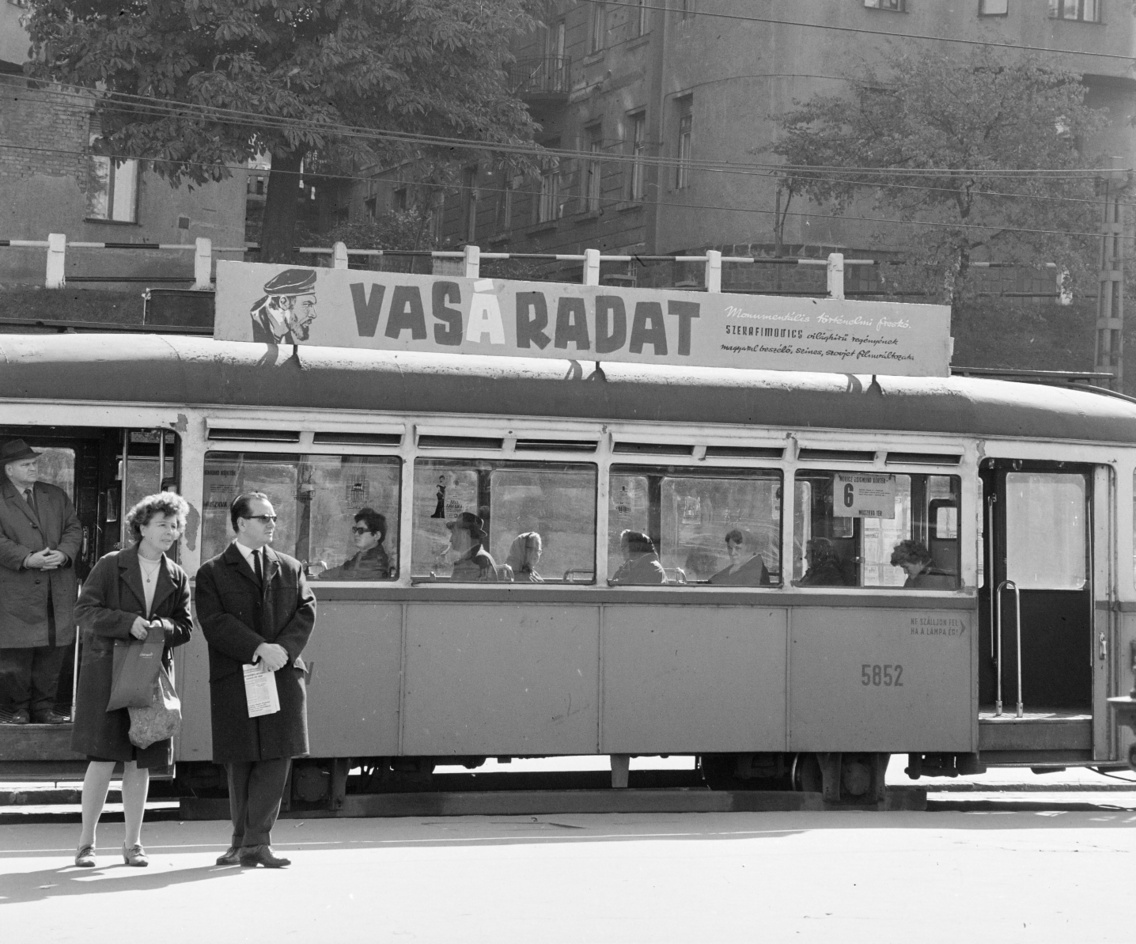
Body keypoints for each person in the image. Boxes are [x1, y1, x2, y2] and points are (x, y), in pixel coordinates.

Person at [70, 492, 192, 869]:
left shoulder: (177, 574)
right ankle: (86, 844)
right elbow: (84, 611)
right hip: (108, 674)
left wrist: (162, 627)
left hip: (150, 678)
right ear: (141, 527)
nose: (171, 532)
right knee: (103, 760)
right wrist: (127, 623)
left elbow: (185, 627)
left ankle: (133, 844)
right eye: (162, 525)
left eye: (175, 526)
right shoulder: (110, 565)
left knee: (140, 763)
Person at [195, 492, 316, 869]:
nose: (271, 524)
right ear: (240, 523)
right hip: (239, 675)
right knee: (241, 759)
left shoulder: (289, 567)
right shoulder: (212, 571)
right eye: (263, 518)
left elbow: (306, 610)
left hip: (279, 673)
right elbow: (214, 623)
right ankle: (243, 842)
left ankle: (255, 842)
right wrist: (260, 647)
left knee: (276, 757)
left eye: (273, 518)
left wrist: (282, 649)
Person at [0, 438, 82, 725]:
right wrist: (26, 558)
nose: (33, 468)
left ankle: (44, 709)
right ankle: (15, 710)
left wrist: (64, 553)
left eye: (34, 463)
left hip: (55, 590)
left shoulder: (55, 495)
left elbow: (74, 528)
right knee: (17, 654)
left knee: (52, 651)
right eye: (26, 464)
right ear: (8, 470)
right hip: (14, 593)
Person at [311, 508, 391, 580]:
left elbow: (349, 575)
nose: (356, 534)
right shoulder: (362, 555)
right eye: (355, 530)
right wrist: (321, 576)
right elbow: (342, 570)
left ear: (376, 535)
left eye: (361, 531)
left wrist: (321, 577)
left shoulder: (377, 562)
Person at [249, 269, 318, 344]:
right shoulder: (257, 335)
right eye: (307, 304)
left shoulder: (284, 328)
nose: (313, 314)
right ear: (283, 302)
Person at [446, 511, 499, 581]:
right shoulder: (473, 558)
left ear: (464, 535)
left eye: (453, 533)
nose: (451, 539)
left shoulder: (478, 561)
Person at [890, 539, 955, 589]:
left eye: (906, 567)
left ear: (919, 562)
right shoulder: (917, 576)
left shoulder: (935, 579)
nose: (905, 572)